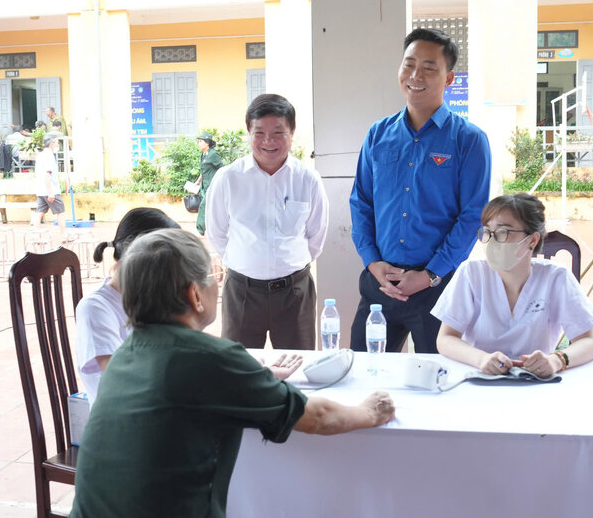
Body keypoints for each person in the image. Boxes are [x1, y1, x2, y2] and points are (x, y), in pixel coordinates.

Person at [69, 228, 395, 517]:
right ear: (195, 295)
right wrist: (368, 411)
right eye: (213, 278)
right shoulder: (211, 358)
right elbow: (318, 418)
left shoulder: (128, 352)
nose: (217, 285)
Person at [349, 27, 492, 354]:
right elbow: (361, 202)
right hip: (380, 286)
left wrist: (429, 275)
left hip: (436, 291)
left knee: (436, 381)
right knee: (365, 375)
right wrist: (372, 262)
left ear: (450, 78)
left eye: (429, 67)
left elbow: (472, 217)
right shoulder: (378, 134)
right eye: (409, 64)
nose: (415, 75)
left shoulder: (468, 140)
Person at [206, 94, 328, 350]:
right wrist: (246, 263)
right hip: (242, 293)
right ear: (248, 132)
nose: (268, 141)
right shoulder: (228, 179)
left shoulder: (308, 180)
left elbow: (316, 237)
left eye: (278, 132)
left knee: (299, 368)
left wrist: (289, 265)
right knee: (238, 372)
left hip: (295, 293)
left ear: (292, 132)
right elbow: (217, 233)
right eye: (259, 132)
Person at [432, 193, 593, 377]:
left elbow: (588, 342)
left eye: (503, 232)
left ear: (532, 240)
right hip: (479, 378)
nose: (492, 240)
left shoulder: (556, 278)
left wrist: (556, 360)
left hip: (535, 382)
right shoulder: (471, 273)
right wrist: (481, 359)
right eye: (488, 232)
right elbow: (446, 339)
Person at [75, 207, 181, 404]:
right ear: (139, 257)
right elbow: (123, 377)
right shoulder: (95, 308)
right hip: (122, 423)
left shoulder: (150, 298)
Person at [34, 134, 65, 234]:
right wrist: (51, 192)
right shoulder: (49, 156)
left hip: (41, 190)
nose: (57, 145)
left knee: (40, 212)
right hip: (50, 190)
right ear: (51, 143)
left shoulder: (40, 155)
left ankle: (35, 235)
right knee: (60, 212)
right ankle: (64, 235)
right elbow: (47, 174)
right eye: (56, 142)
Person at [194, 131, 223, 236]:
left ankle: (200, 230)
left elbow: (222, 169)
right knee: (212, 208)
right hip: (205, 186)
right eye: (199, 141)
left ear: (207, 142)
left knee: (203, 206)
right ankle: (218, 229)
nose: (199, 143)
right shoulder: (203, 155)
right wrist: (198, 181)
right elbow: (204, 170)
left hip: (213, 186)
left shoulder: (213, 154)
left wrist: (219, 182)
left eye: (201, 141)